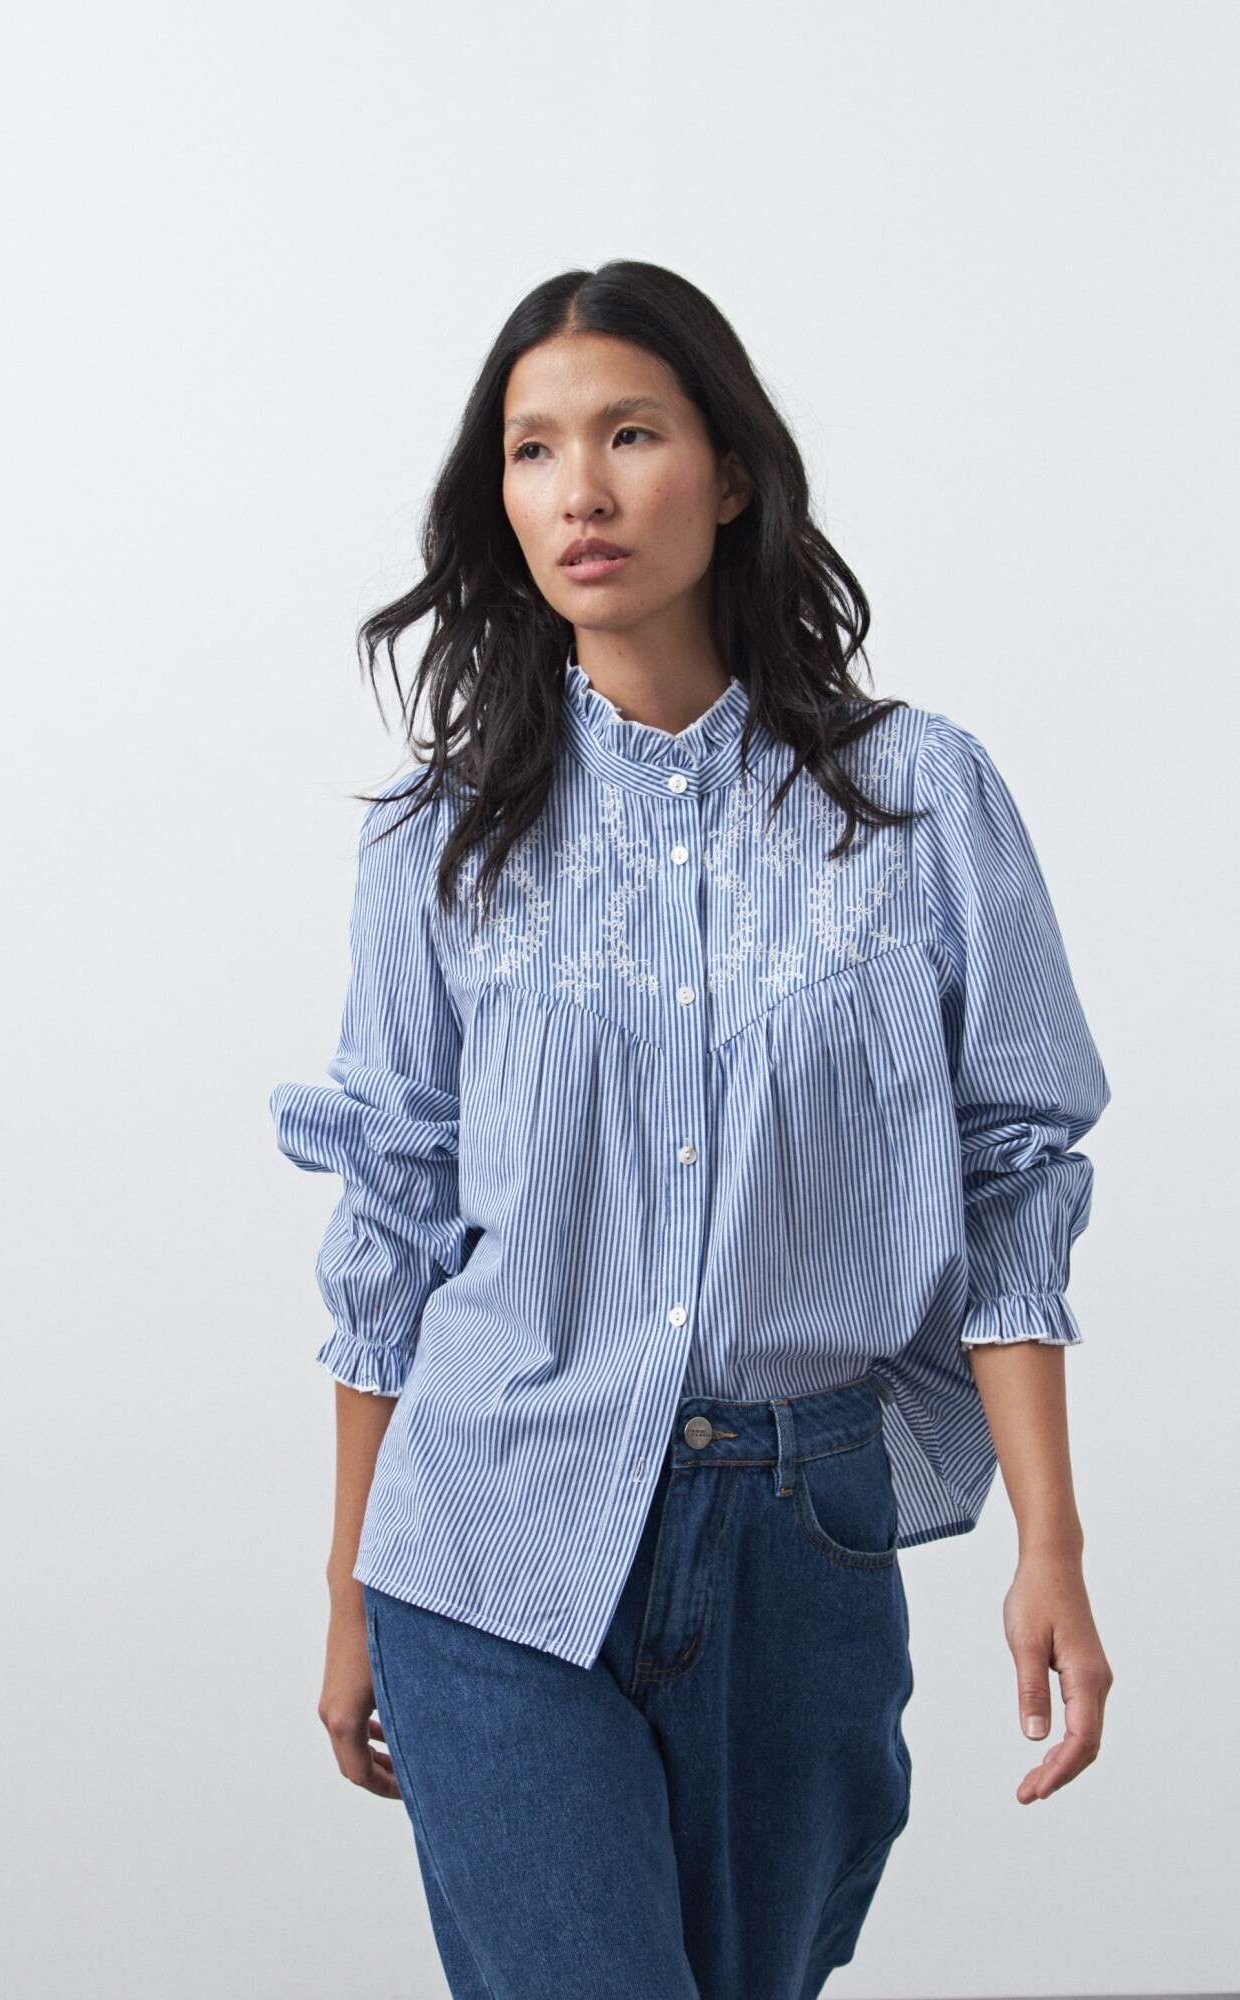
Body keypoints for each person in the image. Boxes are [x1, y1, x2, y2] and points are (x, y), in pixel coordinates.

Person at [269, 260, 1114, 2000]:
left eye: (629, 435)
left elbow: (1010, 1180)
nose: (577, 491)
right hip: (489, 1543)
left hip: (803, 1547)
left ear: (728, 473)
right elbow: (393, 1223)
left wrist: (1051, 1543)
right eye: (532, 450)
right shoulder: (436, 843)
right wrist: (349, 1589)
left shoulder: (919, 800)